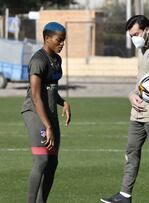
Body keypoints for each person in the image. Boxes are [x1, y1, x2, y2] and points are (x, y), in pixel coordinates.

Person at [100, 15, 149, 203]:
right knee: (131, 152)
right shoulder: (141, 50)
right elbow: (141, 80)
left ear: (147, 30)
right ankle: (125, 195)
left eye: (136, 34)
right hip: (137, 113)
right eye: (131, 35)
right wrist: (131, 95)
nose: (134, 38)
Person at [21, 22, 71, 203]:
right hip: (34, 113)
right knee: (41, 160)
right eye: (59, 40)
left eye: (64, 40)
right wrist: (48, 126)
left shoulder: (57, 60)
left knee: (52, 163)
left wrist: (63, 102)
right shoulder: (38, 61)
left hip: (49, 113)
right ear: (47, 38)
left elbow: (50, 89)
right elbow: (35, 96)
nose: (62, 44)